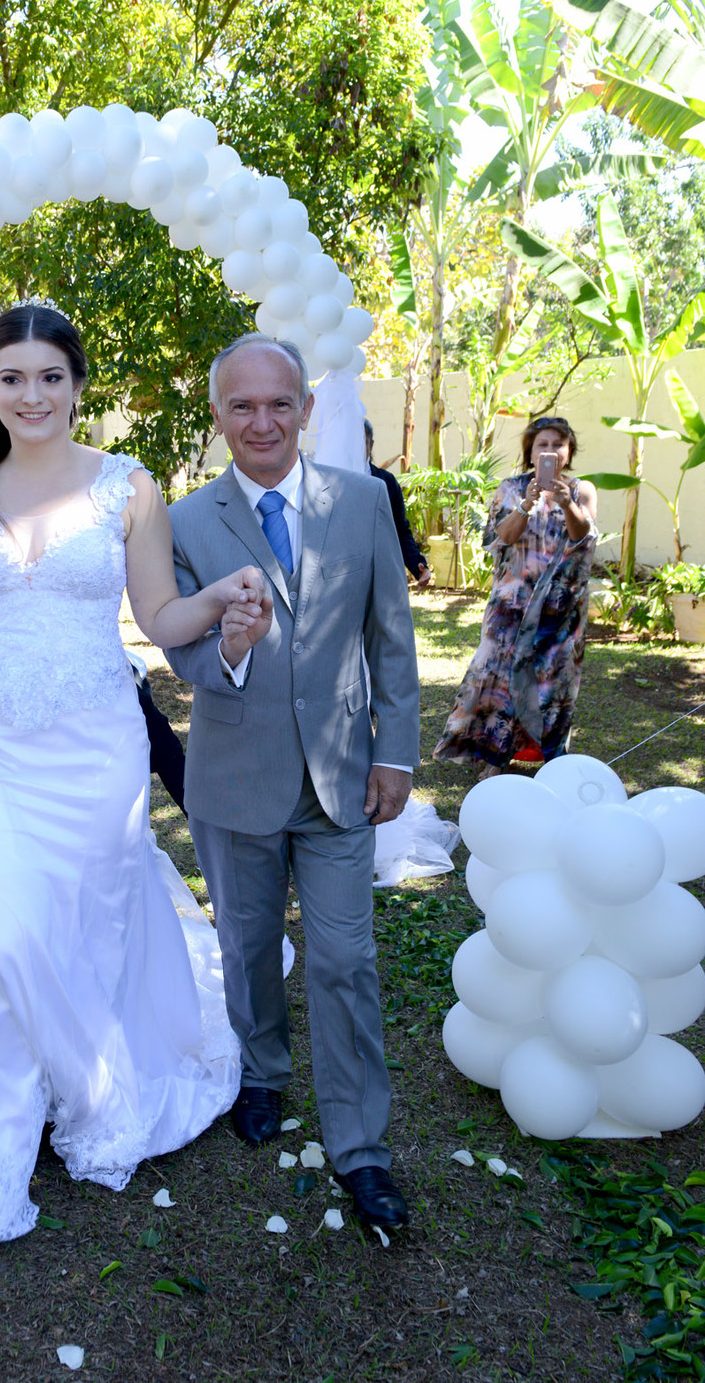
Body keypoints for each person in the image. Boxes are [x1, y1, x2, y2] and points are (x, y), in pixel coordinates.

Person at [0, 302, 260, 1246]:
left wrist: (216, 598)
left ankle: (97, 1081)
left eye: (50, 377)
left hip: (99, 748)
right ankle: (5, 1128)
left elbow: (159, 613)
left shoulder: (126, 488)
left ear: (76, 384)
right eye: (12, 377)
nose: (32, 395)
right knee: (2, 927)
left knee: (89, 923)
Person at [165, 334, 420, 1230]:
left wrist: (395, 755)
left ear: (307, 409)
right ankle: (262, 1074)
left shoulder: (361, 501)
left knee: (347, 959)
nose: (262, 421)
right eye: (243, 405)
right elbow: (180, 647)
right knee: (245, 946)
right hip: (234, 779)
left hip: (343, 778)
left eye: (280, 403)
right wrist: (228, 646)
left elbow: (391, 636)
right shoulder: (186, 521)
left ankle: (360, 1148)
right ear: (218, 415)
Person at [433, 416, 597, 777]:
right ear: (530, 451)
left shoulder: (581, 490)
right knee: (499, 679)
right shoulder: (509, 488)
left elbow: (583, 537)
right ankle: (494, 757)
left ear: (568, 451)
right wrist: (526, 504)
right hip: (511, 605)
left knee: (552, 684)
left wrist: (567, 503)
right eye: (543, 444)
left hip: (559, 611)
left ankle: (551, 765)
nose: (550, 450)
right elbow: (500, 538)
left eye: (558, 444)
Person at [365, 420, 431, 587]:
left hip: (378, 574)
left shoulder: (386, 482)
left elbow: (400, 529)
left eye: (362, 442)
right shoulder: (334, 482)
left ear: (371, 444)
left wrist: (418, 566)